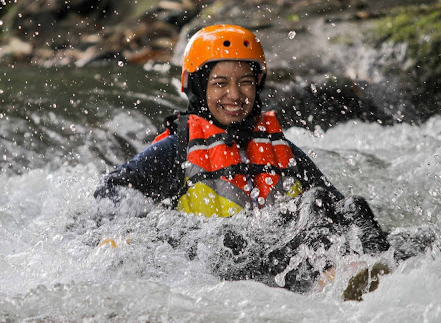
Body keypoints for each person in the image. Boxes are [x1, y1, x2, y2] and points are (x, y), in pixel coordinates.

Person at [94, 24, 389, 296]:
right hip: (218, 269)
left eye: (245, 82)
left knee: (346, 207)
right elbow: (113, 191)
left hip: (281, 267)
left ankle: (371, 274)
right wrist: (123, 235)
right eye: (220, 83)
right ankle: (341, 283)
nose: (234, 94)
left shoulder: (281, 149)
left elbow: (334, 207)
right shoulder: (175, 150)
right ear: (198, 87)